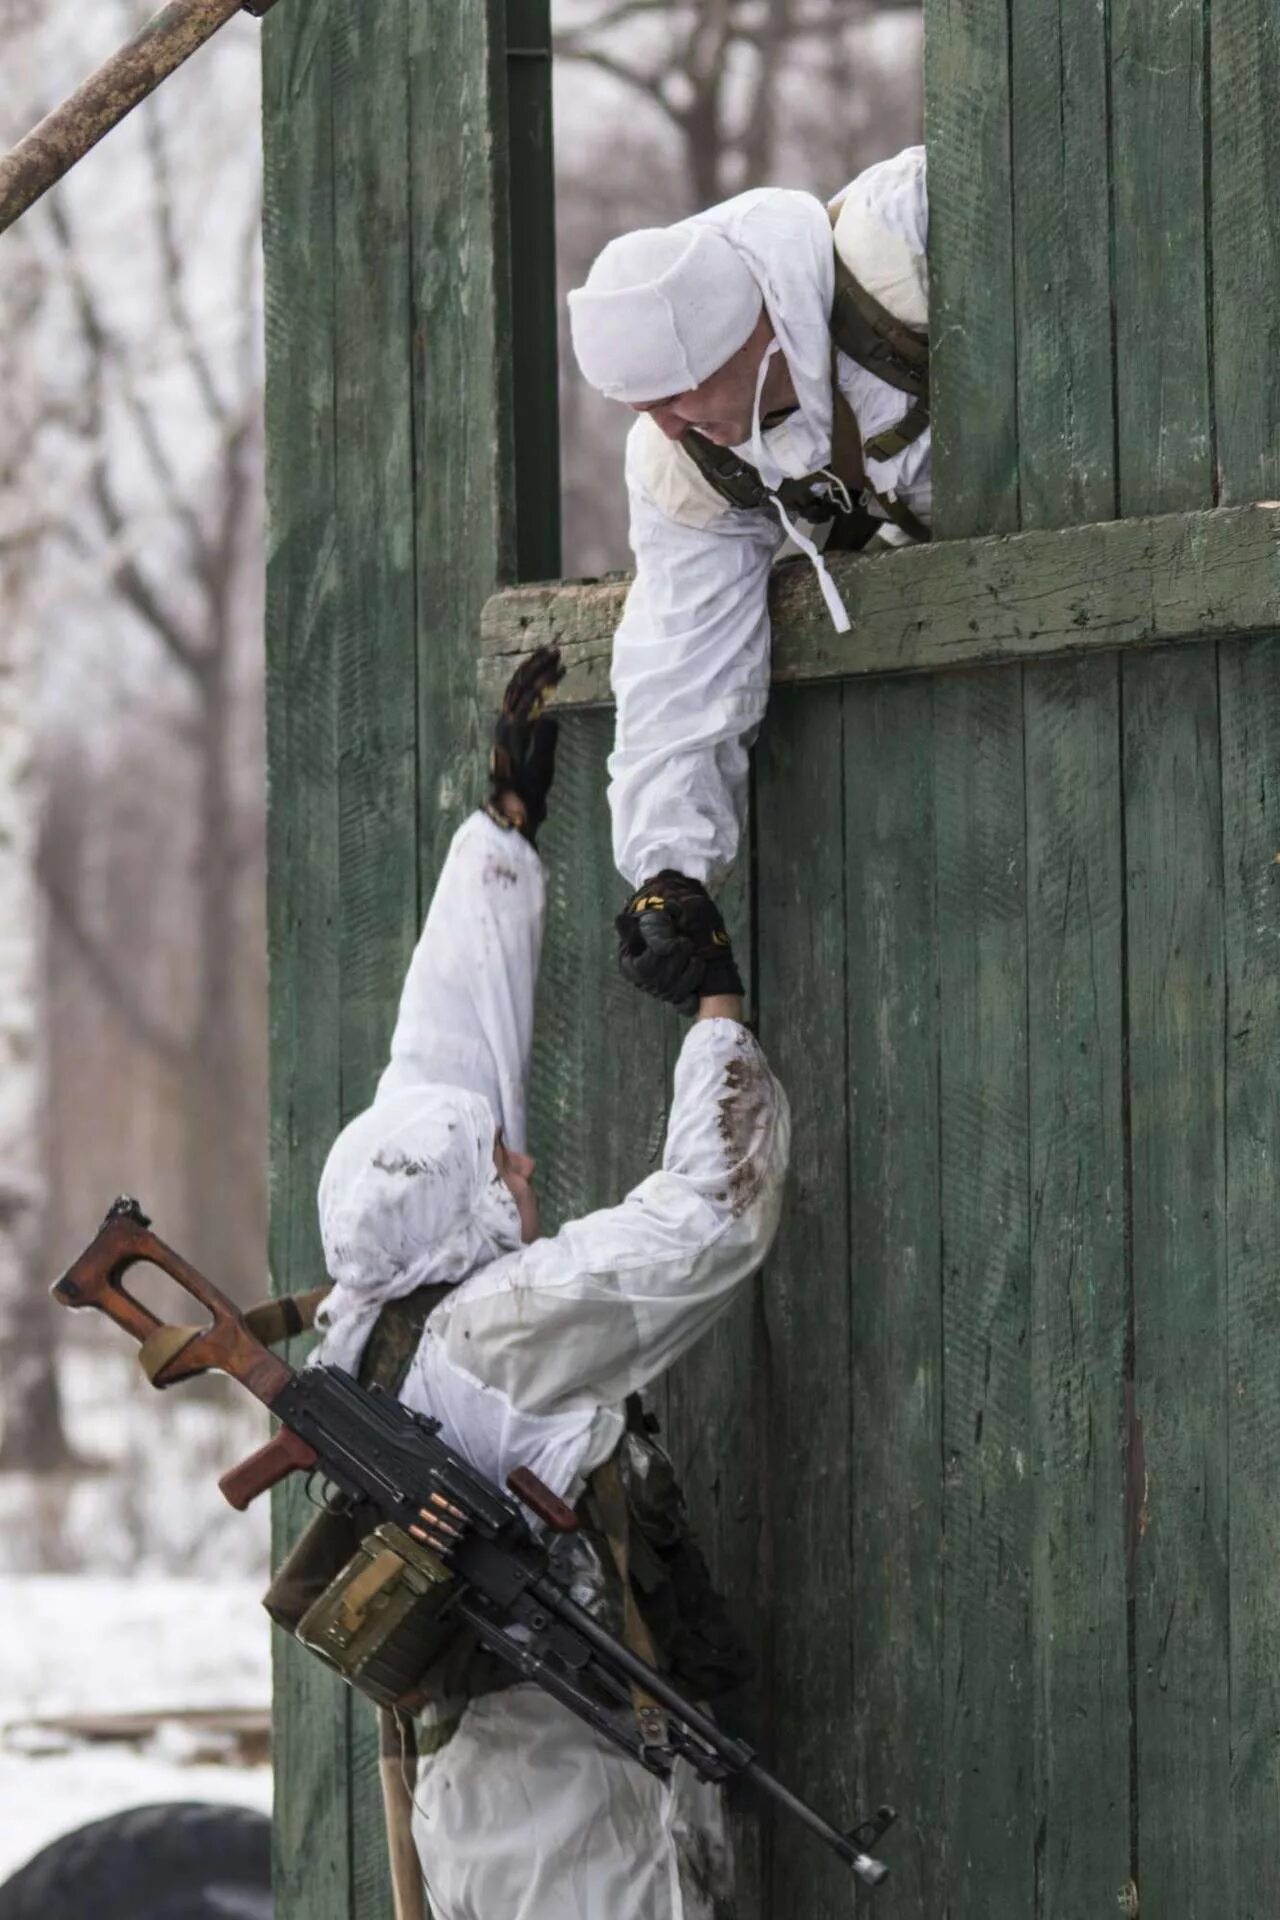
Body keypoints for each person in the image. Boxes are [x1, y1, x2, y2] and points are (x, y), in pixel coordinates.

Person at [311, 649, 791, 1920]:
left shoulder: (361, 1310)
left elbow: (442, 1054)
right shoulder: (495, 1333)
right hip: (565, 1818)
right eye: (501, 1173)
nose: (519, 1161)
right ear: (469, 1218)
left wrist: (501, 837)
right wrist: (714, 1012)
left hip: (472, 1791)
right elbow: (707, 1219)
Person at [569, 146, 929, 1011]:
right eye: (640, 407)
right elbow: (680, 659)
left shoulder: (902, 240)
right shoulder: (686, 461)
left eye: (677, 393)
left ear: (750, 329)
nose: (663, 426)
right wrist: (670, 875)